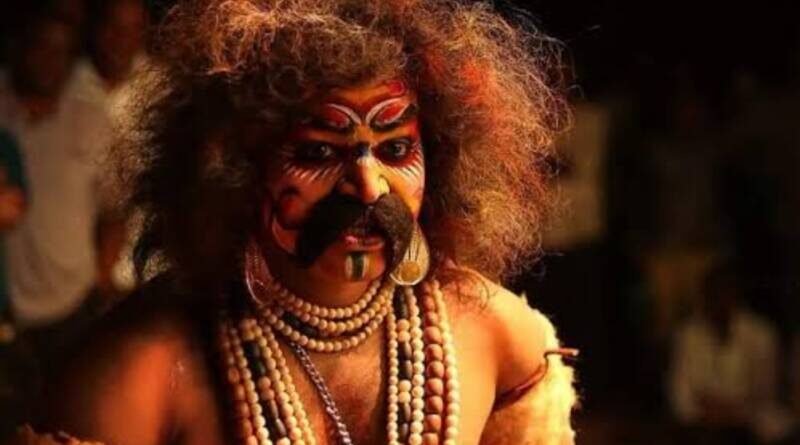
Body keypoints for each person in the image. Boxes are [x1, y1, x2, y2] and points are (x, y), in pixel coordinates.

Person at [11, 0, 577, 444]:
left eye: (396, 149)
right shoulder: (139, 372)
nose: (369, 187)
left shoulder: (501, 338)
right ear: (232, 170)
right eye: (318, 153)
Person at [668, 262, 793, 445]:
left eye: (724, 293)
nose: (719, 301)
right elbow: (680, 390)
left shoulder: (761, 335)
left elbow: (765, 391)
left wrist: (732, 412)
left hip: (751, 422)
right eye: (712, 295)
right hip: (702, 424)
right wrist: (703, 413)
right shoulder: (688, 335)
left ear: (736, 295)